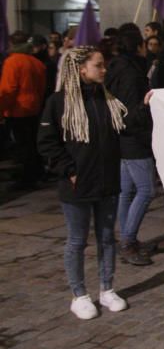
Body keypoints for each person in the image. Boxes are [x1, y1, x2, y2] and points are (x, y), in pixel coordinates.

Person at [38, 46, 130, 320]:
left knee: (107, 238)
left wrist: (148, 104)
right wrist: (69, 170)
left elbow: (128, 124)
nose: (104, 70)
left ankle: (107, 289)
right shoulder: (58, 102)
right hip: (77, 184)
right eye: (99, 65)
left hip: (107, 181)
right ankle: (79, 294)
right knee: (77, 240)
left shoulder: (107, 99)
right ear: (81, 69)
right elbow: (46, 143)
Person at [105, 29, 156, 267]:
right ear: (138, 46)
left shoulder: (117, 68)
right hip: (134, 138)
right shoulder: (130, 73)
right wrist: (145, 108)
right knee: (146, 190)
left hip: (122, 138)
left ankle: (127, 237)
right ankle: (127, 241)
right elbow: (129, 111)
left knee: (126, 192)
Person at [0, 31, 47, 189]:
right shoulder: (36, 63)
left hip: (17, 109)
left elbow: (9, 88)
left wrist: (2, 109)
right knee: (32, 143)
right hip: (33, 107)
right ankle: (36, 172)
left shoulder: (12, 62)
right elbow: (42, 88)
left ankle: (27, 178)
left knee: (22, 145)